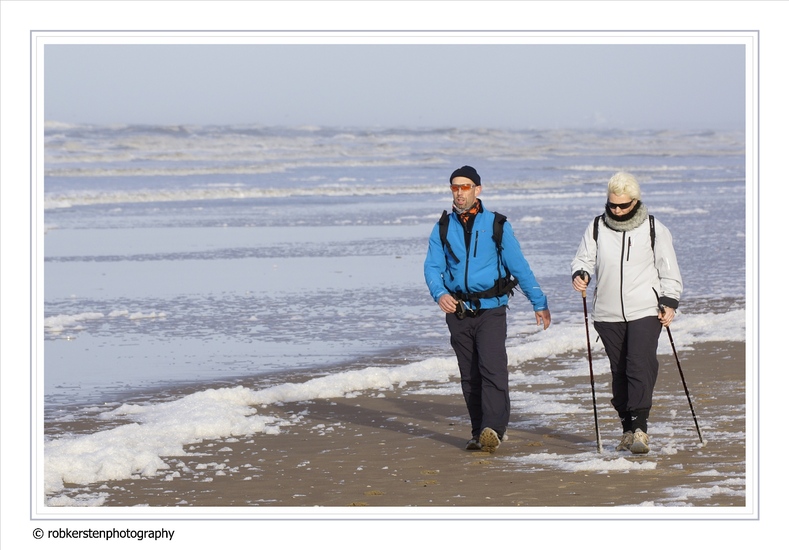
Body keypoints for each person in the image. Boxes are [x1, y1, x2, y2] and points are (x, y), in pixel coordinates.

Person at [424, 165, 551, 453]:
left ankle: (494, 428)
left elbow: (519, 267)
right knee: (469, 374)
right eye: (455, 187)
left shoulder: (497, 225)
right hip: (458, 312)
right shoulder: (442, 227)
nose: (459, 193)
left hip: (492, 310)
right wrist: (439, 293)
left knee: (492, 369)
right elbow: (432, 266)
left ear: (477, 190)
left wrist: (539, 302)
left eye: (465, 187)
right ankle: (478, 431)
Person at [571, 172, 682, 454]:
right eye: (612, 205)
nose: (616, 211)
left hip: (645, 309)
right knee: (619, 371)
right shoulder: (597, 226)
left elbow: (669, 271)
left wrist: (669, 302)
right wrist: (580, 273)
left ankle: (641, 429)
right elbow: (584, 258)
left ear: (635, 201)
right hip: (607, 313)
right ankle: (627, 430)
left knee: (639, 365)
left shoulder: (654, 227)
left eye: (622, 206)